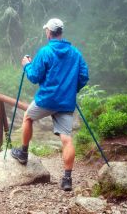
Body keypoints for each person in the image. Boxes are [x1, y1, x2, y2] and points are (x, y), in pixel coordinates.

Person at [11, 18, 89, 191]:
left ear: (48, 32)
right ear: (61, 32)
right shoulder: (75, 53)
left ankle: (23, 153)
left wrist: (26, 65)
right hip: (66, 102)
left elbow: (34, 77)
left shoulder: (45, 52)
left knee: (28, 117)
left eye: (46, 30)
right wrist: (71, 89)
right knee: (67, 138)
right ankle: (67, 179)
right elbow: (84, 76)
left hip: (46, 99)